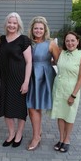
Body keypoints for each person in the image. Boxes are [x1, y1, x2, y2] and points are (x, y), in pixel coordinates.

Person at [0, 12, 32, 148]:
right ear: (6, 24)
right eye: (10, 22)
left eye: (15, 23)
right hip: (5, 80)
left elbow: (29, 62)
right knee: (7, 108)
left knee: (19, 108)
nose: (12, 25)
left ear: (18, 25)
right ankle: (11, 134)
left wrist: (26, 82)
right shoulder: (1, 39)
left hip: (19, 79)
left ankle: (19, 134)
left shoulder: (23, 40)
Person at [26, 16, 60, 151]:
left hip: (44, 77)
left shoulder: (51, 43)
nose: (38, 31)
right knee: (31, 106)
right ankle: (37, 133)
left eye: (41, 28)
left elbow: (58, 61)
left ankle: (36, 136)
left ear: (45, 29)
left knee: (35, 106)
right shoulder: (28, 42)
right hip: (30, 75)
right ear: (32, 29)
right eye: (36, 28)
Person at [50, 31, 81, 153]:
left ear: (77, 41)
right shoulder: (62, 53)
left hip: (71, 90)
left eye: (72, 40)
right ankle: (61, 139)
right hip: (59, 88)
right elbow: (53, 62)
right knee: (60, 115)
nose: (70, 43)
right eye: (67, 41)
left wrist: (73, 95)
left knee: (69, 116)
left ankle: (67, 140)